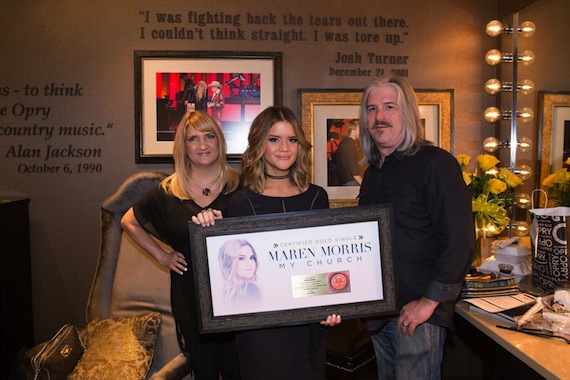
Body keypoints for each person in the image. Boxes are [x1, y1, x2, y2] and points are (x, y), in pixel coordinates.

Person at [196, 106, 342, 380]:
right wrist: (208, 225)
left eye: (292, 139)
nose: (284, 148)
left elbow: (326, 264)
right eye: (274, 139)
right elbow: (228, 270)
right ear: (259, 144)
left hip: (307, 328)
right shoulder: (240, 203)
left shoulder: (316, 198)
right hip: (258, 331)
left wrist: (334, 305)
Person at [357, 76, 474, 380]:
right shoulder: (372, 174)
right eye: (371, 109)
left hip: (417, 317)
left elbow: (459, 241)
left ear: (407, 112)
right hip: (379, 317)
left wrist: (429, 303)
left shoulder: (435, 163)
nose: (379, 116)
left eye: (389, 107)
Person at [121, 111, 241, 380]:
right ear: (183, 146)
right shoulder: (167, 192)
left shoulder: (241, 188)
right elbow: (129, 222)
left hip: (240, 301)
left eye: (209, 136)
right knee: (205, 374)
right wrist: (162, 257)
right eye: (193, 138)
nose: (202, 145)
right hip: (192, 305)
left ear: (220, 142)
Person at [218, 239, 261, 309]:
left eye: (252, 258)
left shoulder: (251, 289)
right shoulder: (250, 289)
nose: (250, 263)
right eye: (242, 258)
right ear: (229, 262)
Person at [335, 119, 363, 186]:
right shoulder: (348, 145)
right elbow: (354, 171)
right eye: (360, 129)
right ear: (353, 130)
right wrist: (365, 187)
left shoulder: (346, 143)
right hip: (351, 182)